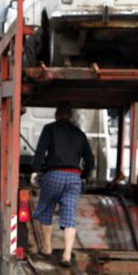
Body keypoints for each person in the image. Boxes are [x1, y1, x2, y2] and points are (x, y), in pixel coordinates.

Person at [30, 104, 93, 266]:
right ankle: (66, 255)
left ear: (57, 115)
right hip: (74, 177)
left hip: (53, 174)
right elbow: (90, 160)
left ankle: (47, 248)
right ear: (71, 116)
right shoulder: (79, 134)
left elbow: (40, 151)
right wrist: (83, 176)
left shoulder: (50, 129)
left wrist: (35, 170)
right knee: (69, 216)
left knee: (46, 209)